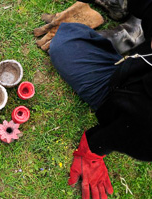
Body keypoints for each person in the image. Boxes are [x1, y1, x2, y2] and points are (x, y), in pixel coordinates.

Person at [46, 0, 152, 198]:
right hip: (136, 70)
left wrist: (93, 149)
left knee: (64, 44)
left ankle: (134, 34)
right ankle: (135, 28)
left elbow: (135, 127)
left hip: (124, 94)